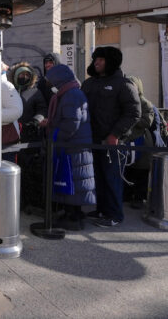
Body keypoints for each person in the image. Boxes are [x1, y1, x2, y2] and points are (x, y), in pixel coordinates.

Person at [81, 46, 141, 228]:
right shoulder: (90, 83)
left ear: (111, 61)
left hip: (112, 143)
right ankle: (101, 210)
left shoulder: (124, 84)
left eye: (101, 59)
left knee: (111, 178)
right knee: (98, 177)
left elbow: (133, 112)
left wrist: (115, 134)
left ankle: (115, 214)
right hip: (92, 140)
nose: (96, 62)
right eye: (95, 59)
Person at [45, 64, 95, 231]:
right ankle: (74, 213)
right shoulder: (72, 91)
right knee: (76, 181)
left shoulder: (70, 95)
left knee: (71, 181)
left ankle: (72, 217)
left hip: (72, 147)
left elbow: (71, 122)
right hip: (77, 145)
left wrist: (57, 137)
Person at [124, 76, 155, 209]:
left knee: (141, 172)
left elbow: (147, 122)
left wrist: (132, 119)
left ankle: (138, 197)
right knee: (127, 170)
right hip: (127, 141)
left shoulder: (146, 103)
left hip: (141, 141)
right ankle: (127, 195)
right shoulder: (124, 101)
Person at [8, 61, 47, 140]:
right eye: (22, 74)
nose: (25, 77)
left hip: (29, 133)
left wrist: (35, 121)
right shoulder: (8, 90)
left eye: (27, 75)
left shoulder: (35, 92)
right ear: (16, 76)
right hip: (9, 131)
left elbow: (42, 109)